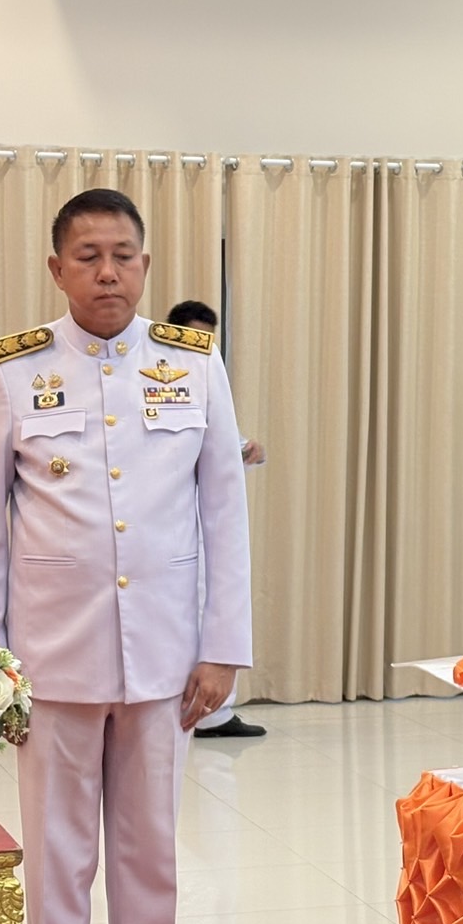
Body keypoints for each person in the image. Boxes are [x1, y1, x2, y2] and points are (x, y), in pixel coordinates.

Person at [0, 189, 252, 924]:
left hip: (166, 655)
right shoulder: (13, 370)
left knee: (150, 848)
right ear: (58, 269)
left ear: (145, 264)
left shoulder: (192, 363)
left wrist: (222, 648)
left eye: (123, 257)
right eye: (89, 258)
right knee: (57, 849)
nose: (109, 273)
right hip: (51, 656)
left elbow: (224, 512)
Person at [165, 298, 267, 740]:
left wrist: (247, 449)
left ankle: (218, 711)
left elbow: (224, 444)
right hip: (170, 528)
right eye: (194, 336)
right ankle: (200, 710)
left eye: (208, 338)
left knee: (219, 603)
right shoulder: (159, 376)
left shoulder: (208, 375)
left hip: (210, 523)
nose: (201, 346)